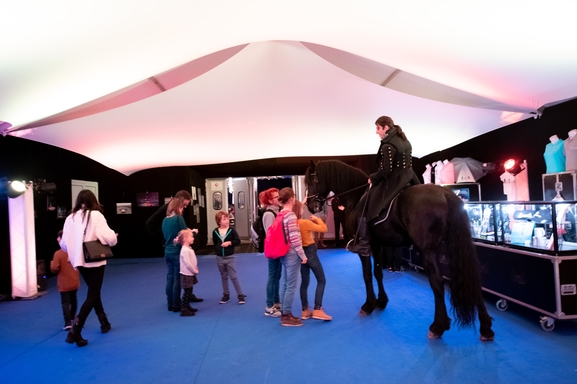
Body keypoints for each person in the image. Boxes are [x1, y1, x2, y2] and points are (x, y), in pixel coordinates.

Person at [347, 116, 419, 257]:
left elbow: (386, 171)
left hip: (394, 180)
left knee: (362, 205)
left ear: (385, 127)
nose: (376, 132)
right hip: (410, 177)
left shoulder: (388, 145)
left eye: (377, 128)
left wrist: (372, 177)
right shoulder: (404, 140)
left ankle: (363, 244)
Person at [60, 189, 118, 347]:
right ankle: (76, 329)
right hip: (95, 260)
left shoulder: (70, 218)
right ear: (93, 200)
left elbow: (64, 244)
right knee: (93, 294)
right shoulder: (95, 215)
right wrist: (113, 237)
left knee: (94, 292)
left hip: (79, 261)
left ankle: (104, 322)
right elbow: (109, 238)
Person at [293, 200, 332, 321]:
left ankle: (305, 310)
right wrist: (317, 219)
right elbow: (324, 228)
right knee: (321, 280)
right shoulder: (305, 223)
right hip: (310, 252)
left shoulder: (293, 224)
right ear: (299, 210)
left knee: (305, 282)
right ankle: (317, 309)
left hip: (300, 253)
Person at [162, 198, 201, 313]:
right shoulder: (178, 218)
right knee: (177, 278)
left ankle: (170, 303)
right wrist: (194, 232)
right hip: (176, 253)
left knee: (170, 278)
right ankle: (176, 304)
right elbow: (185, 234)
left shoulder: (165, 220)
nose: (183, 209)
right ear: (178, 208)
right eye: (182, 207)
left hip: (167, 252)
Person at [277, 187, 308, 326]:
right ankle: (286, 316)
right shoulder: (291, 216)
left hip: (283, 252)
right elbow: (295, 238)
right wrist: (302, 255)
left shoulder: (280, 214)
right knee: (291, 285)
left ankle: (285, 312)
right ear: (291, 199)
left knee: (285, 283)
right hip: (292, 253)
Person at [213, 211, 245, 305]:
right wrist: (218, 250)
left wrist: (229, 243)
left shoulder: (232, 230)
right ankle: (226, 295)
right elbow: (215, 242)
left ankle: (240, 294)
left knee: (233, 277)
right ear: (219, 221)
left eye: (227, 219)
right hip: (219, 258)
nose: (227, 221)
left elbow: (237, 241)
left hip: (229, 257)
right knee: (224, 277)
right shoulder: (215, 232)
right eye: (224, 219)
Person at [50, 230, 80, 330]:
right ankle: (72, 318)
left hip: (64, 283)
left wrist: (51, 264)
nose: (57, 239)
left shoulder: (58, 254)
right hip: (75, 280)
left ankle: (67, 322)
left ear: (62, 239)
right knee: (73, 299)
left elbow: (54, 268)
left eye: (58, 237)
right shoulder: (75, 250)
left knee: (65, 302)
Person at [262, 188, 283, 317]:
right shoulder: (269, 214)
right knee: (273, 277)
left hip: (278, 248)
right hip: (274, 249)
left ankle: (276, 302)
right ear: (270, 200)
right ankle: (269, 306)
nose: (279, 198)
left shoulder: (276, 212)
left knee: (276, 277)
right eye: (276, 197)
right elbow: (270, 234)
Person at [176, 229, 199, 317]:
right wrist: (194, 270)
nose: (193, 238)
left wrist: (195, 268)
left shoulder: (188, 248)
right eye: (191, 237)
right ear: (185, 239)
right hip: (187, 273)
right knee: (187, 291)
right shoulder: (185, 250)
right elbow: (187, 263)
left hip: (190, 273)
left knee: (189, 290)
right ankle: (184, 309)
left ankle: (187, 306)